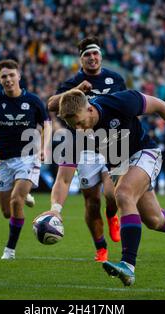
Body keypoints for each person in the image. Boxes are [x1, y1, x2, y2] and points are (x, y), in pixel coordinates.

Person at [48, 88, 165, 286]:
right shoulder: (75, 136)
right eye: (72, 125)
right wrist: (55, 210)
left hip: (145, 152)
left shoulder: (120, 102)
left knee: (123, 194)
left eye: (80, 121)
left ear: (90, 109)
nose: (78, 128)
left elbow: (159, 106)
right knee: (153, 219)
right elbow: (63, 180)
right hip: (120, 167)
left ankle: (128, 265)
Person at [47, 37, 126, 262]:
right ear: (80, 59)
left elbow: (125, 106)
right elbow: (51, 104)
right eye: (87, 55)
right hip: (82, 144)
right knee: (92, 202)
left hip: (110, 141)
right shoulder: (74, 81)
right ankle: (101, 248)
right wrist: (76, 90)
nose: (92, 58)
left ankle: (112, 215)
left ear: (100, 55)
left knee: (113, 195)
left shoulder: (115, 79)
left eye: (95, 53)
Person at [0, 59, 49, 260]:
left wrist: (44, 149)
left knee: (15, 200)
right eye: (4, 76)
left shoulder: (34, 101)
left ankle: (9, 251)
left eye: (11, 75)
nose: (8, 79)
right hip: (4, 161)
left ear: (19, 76)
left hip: (28, 158)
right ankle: (25, 194)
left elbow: (47, 125)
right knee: (6, 212)